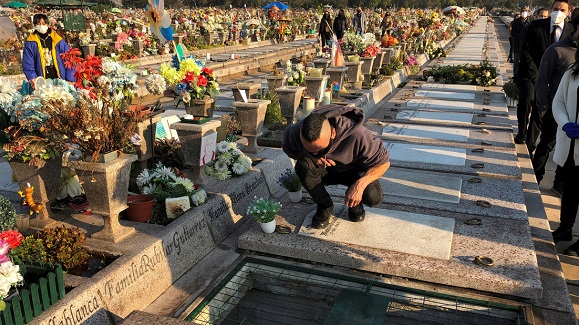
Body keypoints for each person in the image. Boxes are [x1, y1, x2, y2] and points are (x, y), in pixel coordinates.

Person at [281, 105, 390, 229]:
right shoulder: (295, 131)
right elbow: (290, 150)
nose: (315, 153)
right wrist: (313, 156)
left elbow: (384, 163)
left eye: (320, 149)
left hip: (353, 172)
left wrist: (360, 185)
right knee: (303, 165)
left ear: (333, 133)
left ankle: (355, 203)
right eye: (310, 149)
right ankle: (324, 205)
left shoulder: (359, 135)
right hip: (325, 171)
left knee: (373, 197)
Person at [516, 0, 573, 152]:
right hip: (531, 73)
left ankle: (530, 142)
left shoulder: (571, 31)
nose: (558, 12)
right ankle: (521, 131)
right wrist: (538, 76)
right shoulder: (536, 26)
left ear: (568, 12)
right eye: (555, 9)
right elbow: (526, 52)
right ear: (550, 9)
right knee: (528, 98)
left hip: (555, 80)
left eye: (562, 10)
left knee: (540, 108)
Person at [534, 16, 579, 195]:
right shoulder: (557, 49)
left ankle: (559, 183)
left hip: (575, 118)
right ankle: (535, 177)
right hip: (556, 111)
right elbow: (542, 79)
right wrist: (544, 107)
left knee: (570, 156)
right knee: (546, 146)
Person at [550, 46, 579, 255]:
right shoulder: (573, 71)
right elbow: (558, 101)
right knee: (570, 189)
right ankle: (565, 228)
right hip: (570, 141)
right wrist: (564, 123)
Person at [22, 13, 75, 87]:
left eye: (43, 23)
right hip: (42, 80)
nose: (41, 26)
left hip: (60, 78)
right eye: (38, 23)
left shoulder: (57, 40)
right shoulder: (31, 43)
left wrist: (70, 79)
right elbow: (28, 64)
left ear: (47, 24)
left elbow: (69, 59)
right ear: (34, 25)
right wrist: (34, 80)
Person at [510, 8, 529, 75]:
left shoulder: (531, 21)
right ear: (520, 12)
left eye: (526, 11)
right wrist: (520, 35)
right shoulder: (516, 21)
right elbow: (512, 33)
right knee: (516, 62)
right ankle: (515, 75)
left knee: (526, 62)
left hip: (527, 46)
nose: (524, 12)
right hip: (518, 44)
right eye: (523, 11)